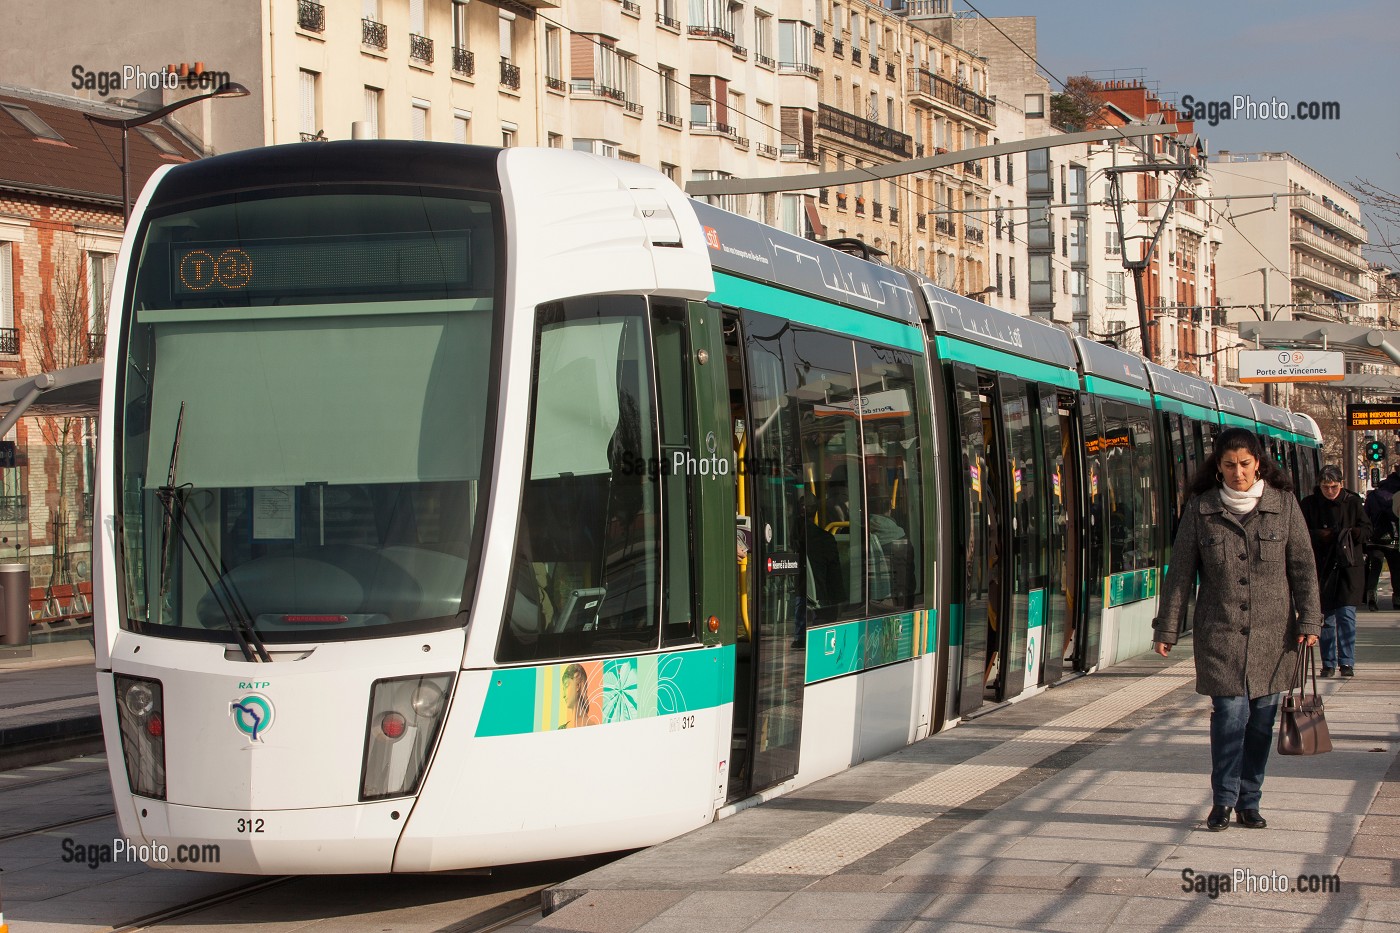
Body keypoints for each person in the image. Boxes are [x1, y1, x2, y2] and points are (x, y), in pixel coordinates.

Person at [1152, 428, 1320, 833]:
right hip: (1220, 633)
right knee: (1229, 714)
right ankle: (1223, 801)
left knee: (1261, 721)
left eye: (1245, 464)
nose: (1238, 472)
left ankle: (1250, 800)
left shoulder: (1284, 506)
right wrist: (1167, 629)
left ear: (1258, 463)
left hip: (1274, 635)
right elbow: (1180, 575)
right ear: (1218, 466)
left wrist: (1311, 619)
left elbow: (1303, 566)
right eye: (1229, 465)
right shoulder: (1201, 508)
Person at [1301, 465, 1368, 678]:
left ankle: (1347, 662)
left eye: (1333, 487)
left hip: (1348, 567)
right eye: (1325, 487)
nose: (1330, 491)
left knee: (1347, 615)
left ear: (1341, 484)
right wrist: (1320, 535)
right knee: (1327, 618)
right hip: (1322, 567)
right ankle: (1328, 663)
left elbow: (1367, 530)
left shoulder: (1353, 502)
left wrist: (1351, 534)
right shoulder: (1310, 504)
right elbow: (1300, 533)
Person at [1363, 470, 1400, 610]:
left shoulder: (1373, 496)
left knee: (1375, 567)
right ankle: (1397, 598)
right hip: (1393, 537)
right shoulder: (1396, 496)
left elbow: (1365, 516)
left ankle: (1371, 594)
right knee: (1395, 568)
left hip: (1374, 538)